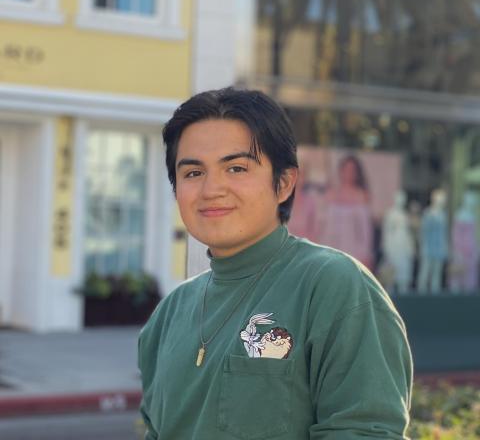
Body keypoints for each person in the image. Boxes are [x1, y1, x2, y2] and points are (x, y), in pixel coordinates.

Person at [137, 88, 413, 439]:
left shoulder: (333, 286)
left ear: (283, 183)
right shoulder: (168, 315)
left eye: (236, 168)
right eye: (193, 173)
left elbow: (365, 431)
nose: (211, 189)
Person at [322, 154, 374, 269]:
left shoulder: (361, 195)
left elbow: (365, 230)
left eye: (352, 170)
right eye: (346, 169)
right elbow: (324, 225)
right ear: (340, 171)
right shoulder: (331, 194)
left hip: (354, 250)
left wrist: (366, 253)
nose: (348, 173)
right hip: (331, 247)